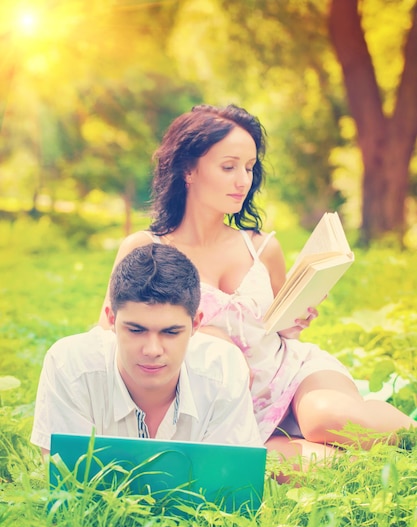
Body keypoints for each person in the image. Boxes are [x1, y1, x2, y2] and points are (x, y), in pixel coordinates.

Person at [99, 103, 415, 469]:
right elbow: (109, 335)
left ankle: (399, 429)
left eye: (249, 168)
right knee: (286, 469)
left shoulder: (262, 246)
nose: (242, 181)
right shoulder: (145, 249)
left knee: (326, 417)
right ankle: (338, 453)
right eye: (229, 166)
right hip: (227, 407)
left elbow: (279, 328)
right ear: (188, 169)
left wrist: (295, 318)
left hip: (291, 376)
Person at [31, 243, 263, 455]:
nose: (152, 350)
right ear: (111, 319)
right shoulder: (69, 366)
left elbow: (231, 485)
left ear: (195, 324)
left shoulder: (224, 370)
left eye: (171, 332)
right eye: (136, 330)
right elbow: (69, 482)